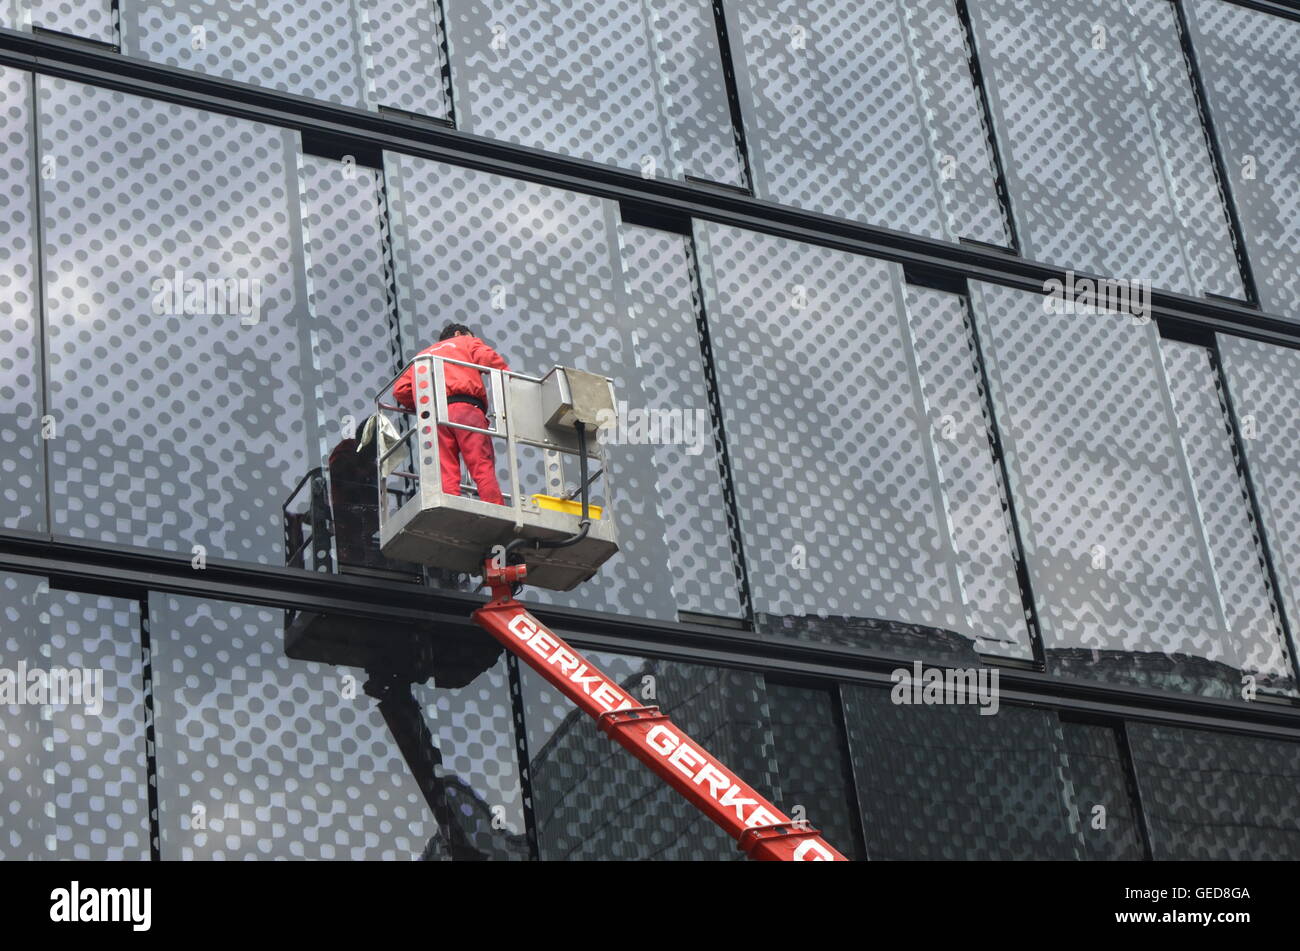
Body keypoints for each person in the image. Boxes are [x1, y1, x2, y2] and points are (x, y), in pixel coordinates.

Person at [393, 324, 510, 505]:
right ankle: (495, 506)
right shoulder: (464, 341)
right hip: (467, 409)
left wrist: (422, 405)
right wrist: (512, 382)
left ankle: (449, 506)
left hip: (436, 416)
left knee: (446, 468)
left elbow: (401, 390)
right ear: (458, 334)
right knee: (481, 465)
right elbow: (489, 359)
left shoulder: (423, 356)